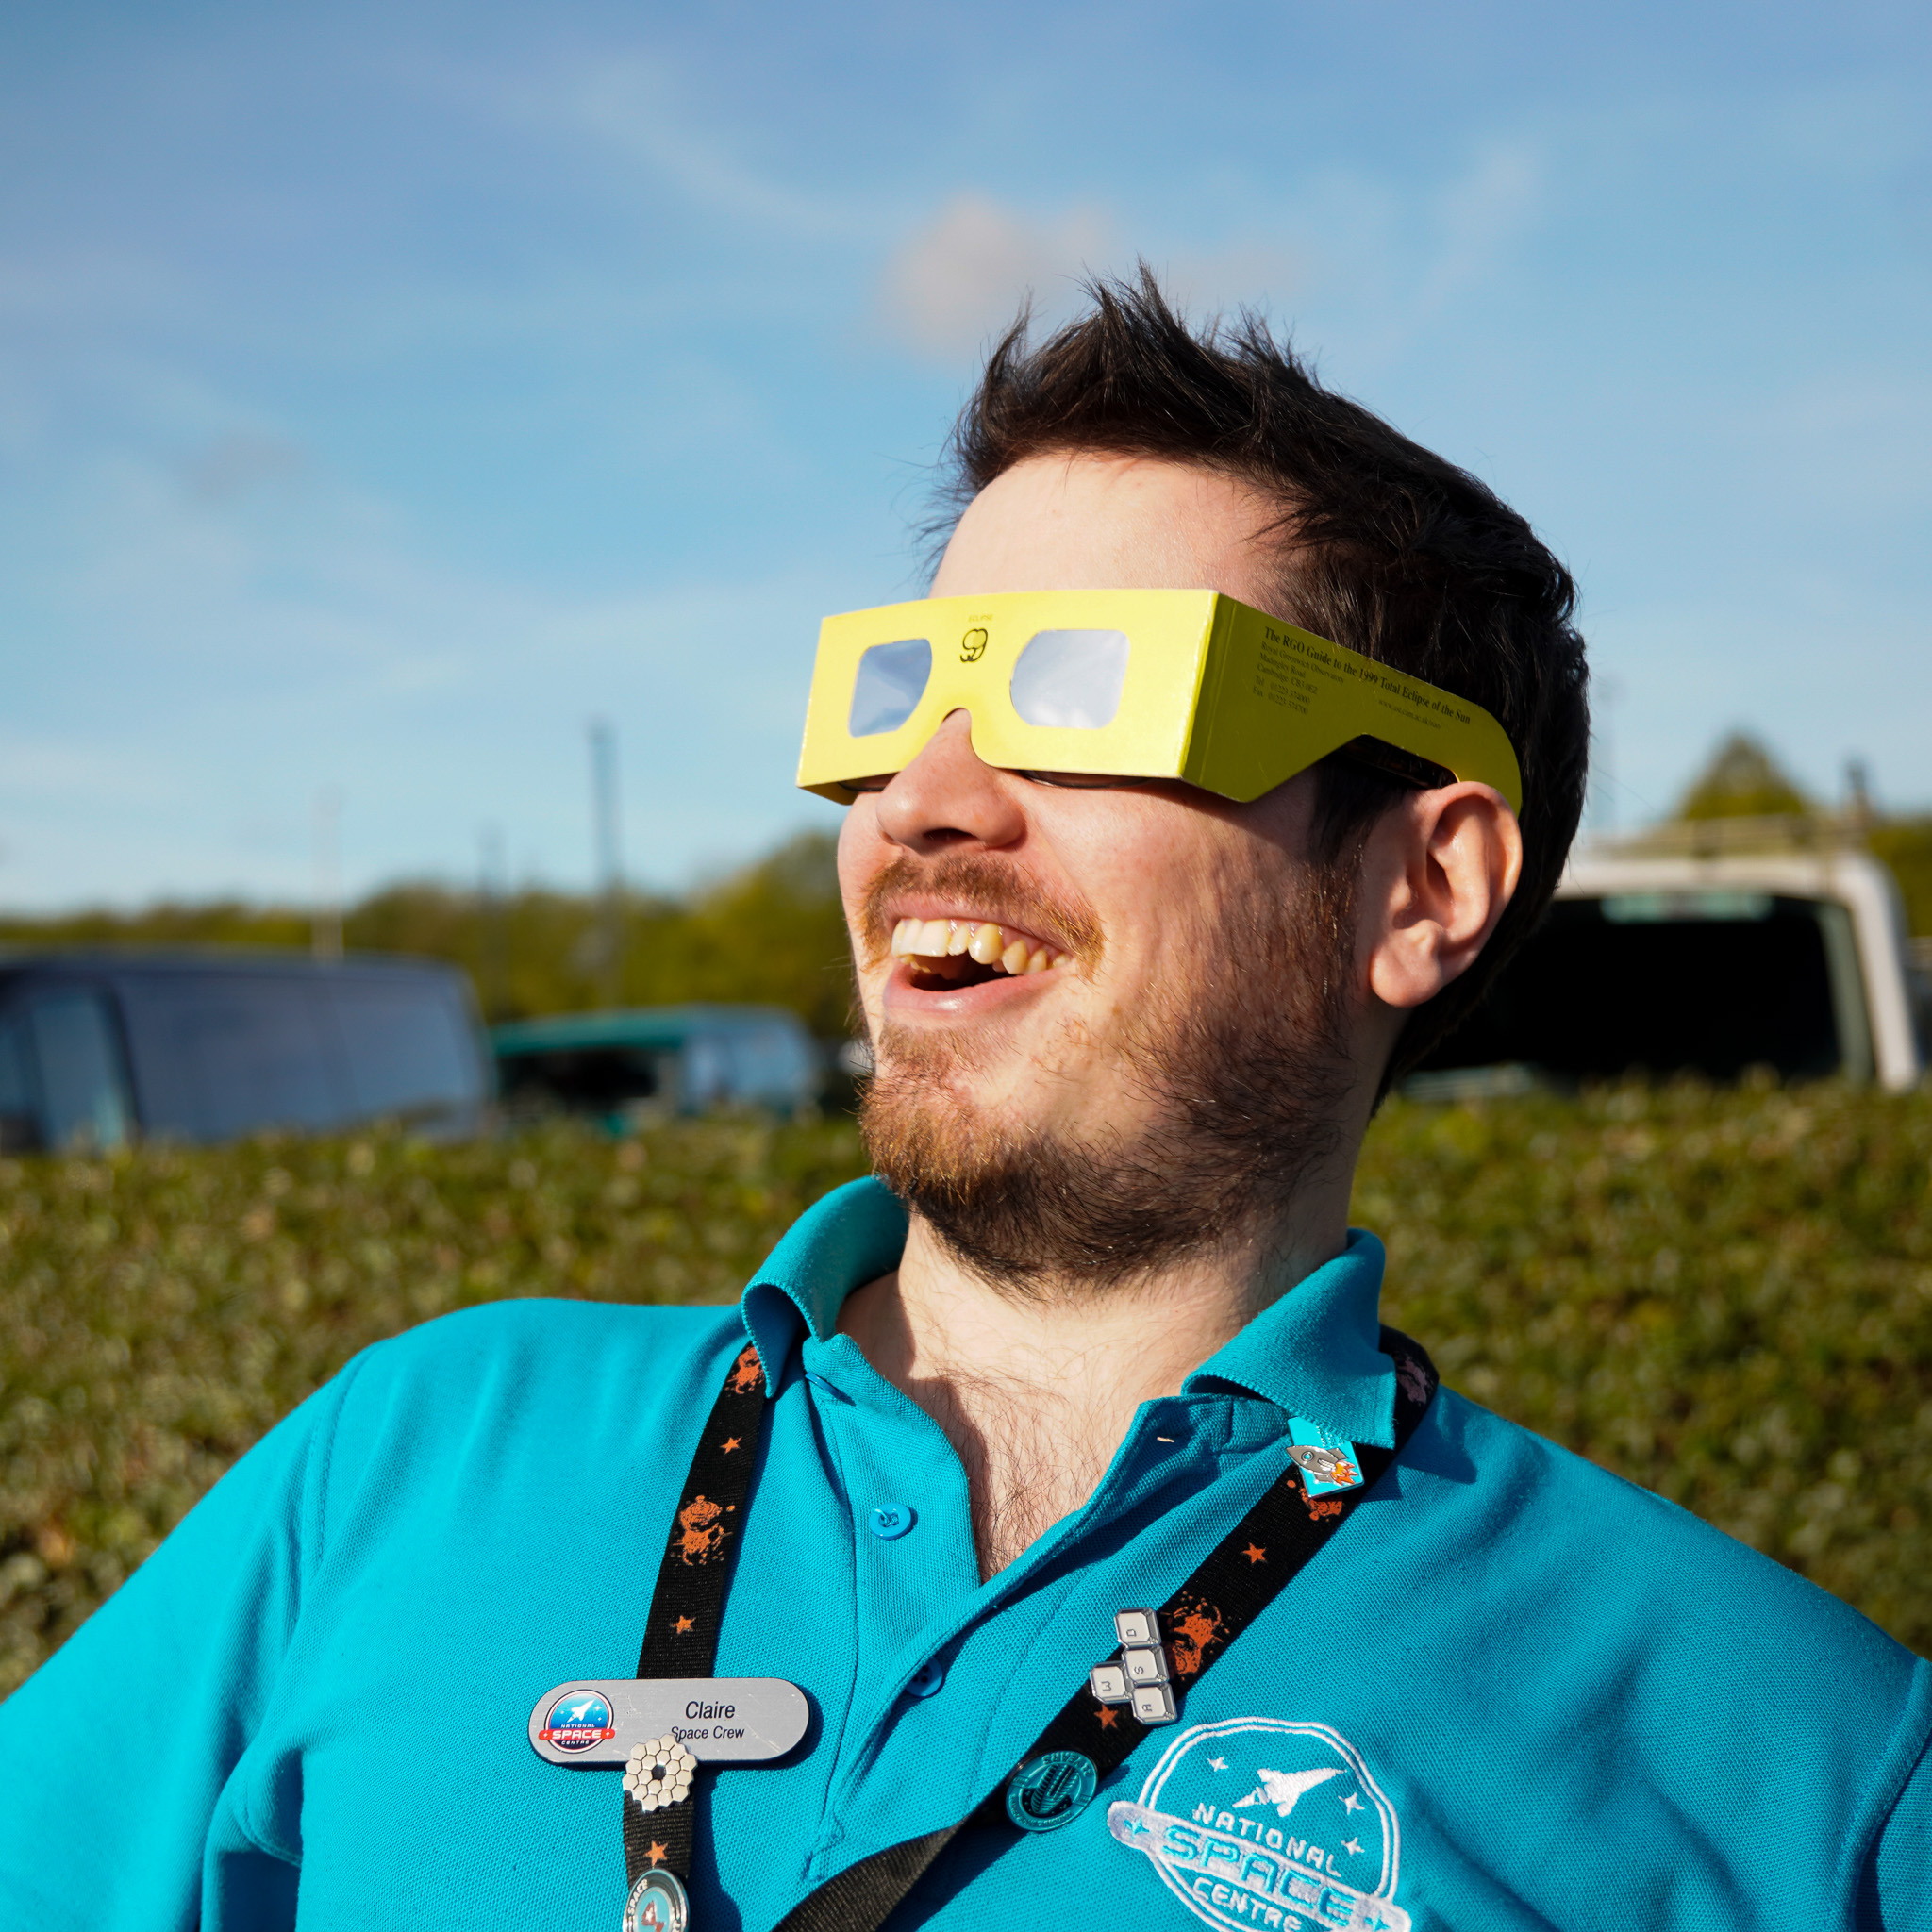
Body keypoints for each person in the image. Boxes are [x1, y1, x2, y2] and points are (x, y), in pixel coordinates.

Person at [1, 275, 1924, 1932]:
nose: (919, 801)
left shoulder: (1801, 1778)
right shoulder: (415, 1460)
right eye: (902, 692)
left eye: (1084, 701)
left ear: (1419, 885)